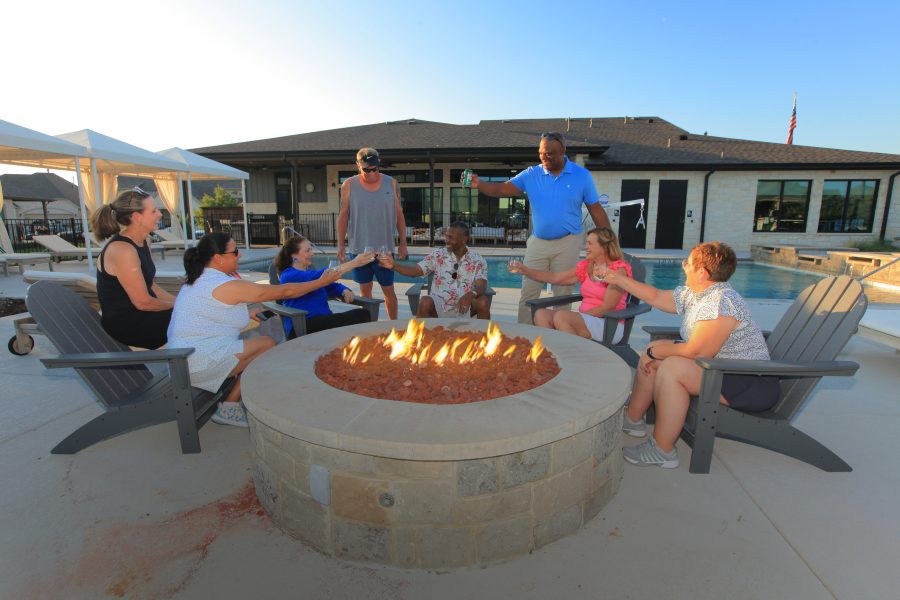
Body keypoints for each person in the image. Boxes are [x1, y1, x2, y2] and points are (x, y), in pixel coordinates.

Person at [601, 242, 778, 469]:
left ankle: (663, 450)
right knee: (654, 353)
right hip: (720, 368)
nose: (684, 265)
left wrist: (657, 353)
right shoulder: (697, 294)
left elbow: (698, 352)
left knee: (671, 367)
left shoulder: (721, 301)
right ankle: (633, 420)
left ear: (702, 272)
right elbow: (655, 295)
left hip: (748, 380)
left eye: (689, 262)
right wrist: (617, 279)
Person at [166, 233, 342, 427]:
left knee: (261, 339)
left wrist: (249, 314)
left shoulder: (200, 280)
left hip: (185, 359)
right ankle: (229, 406)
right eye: (234, 252)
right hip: (197, 361)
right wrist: (322, 282)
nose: (239, 255)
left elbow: (211, 312)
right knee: (267, 344)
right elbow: (285, 291)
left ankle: (238, 396)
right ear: (218, 258)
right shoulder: (222, 284)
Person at [467, 132, 611, 324]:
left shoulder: (581, 175)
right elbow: (502, 189)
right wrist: (479, 184)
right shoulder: (531, 174)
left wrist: (609, 244)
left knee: (563, 294)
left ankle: (561, 335)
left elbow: (595, 209)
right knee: (528, 293)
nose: (544, 157)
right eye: (541, 153)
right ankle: (524, 337)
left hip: (568, 242)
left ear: (563, 151)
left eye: (550, 153)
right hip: (538, 242)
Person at [509, 228, 630, 342]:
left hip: (609, 325)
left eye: (590, 244)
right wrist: (526, 271)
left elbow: (607, 307)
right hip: (586, 321)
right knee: (541, 315)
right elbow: (556, 277)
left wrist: (577, 317)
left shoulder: (618, 270)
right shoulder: (588, 267)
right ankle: (554, 351)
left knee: (562, 317)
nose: (586, 247)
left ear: (604, 247)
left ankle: (572, 355)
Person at [91, 186, 175, 349]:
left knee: (203, 314)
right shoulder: (123, 251)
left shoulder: (144, 241)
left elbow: (151, 286)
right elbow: (143, 303)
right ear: (137, 217)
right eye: (153, 211)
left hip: (146, 315)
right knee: (200, 318)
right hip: (129, 324)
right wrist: (181, 307)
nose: (159, 214)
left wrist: (181, 301)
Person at [337, 147, 408, 320]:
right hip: (360, 249)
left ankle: (393, 326)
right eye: (366, 170)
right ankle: (369, 325)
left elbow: (399, 214)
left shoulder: (391, 183)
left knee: (389, 290)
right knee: (365, 291)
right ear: (358, 166)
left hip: (385, 249)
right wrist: (340, 245)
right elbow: (343, 216)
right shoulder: (348, 185)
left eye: (375, 169)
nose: (371, 173)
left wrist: (403, 244)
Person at [379, 222, 490, 319]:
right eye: (446, 236)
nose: (447, 240)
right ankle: (418, 339)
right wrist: (394, 266)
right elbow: (416, 270)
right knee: (425, 301)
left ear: (464, 239)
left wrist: (470, 295)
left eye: (452, 237)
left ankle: (486, 339)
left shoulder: (477, 260)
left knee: (483, 301)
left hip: (466, 307)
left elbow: (482, 284)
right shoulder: (438, 255)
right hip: (440, 307)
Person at [273, 236, 375, 337]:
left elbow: (332, 286)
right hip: (302, 326)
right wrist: (355, 262)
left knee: (362, 315)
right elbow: (323, 275)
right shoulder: (289, 275)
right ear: (294, 256)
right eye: (307, 251)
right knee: (361, 315)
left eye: (311, 250)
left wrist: (344, 290)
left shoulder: (311, 275)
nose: (312, 253)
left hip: (324, 322)